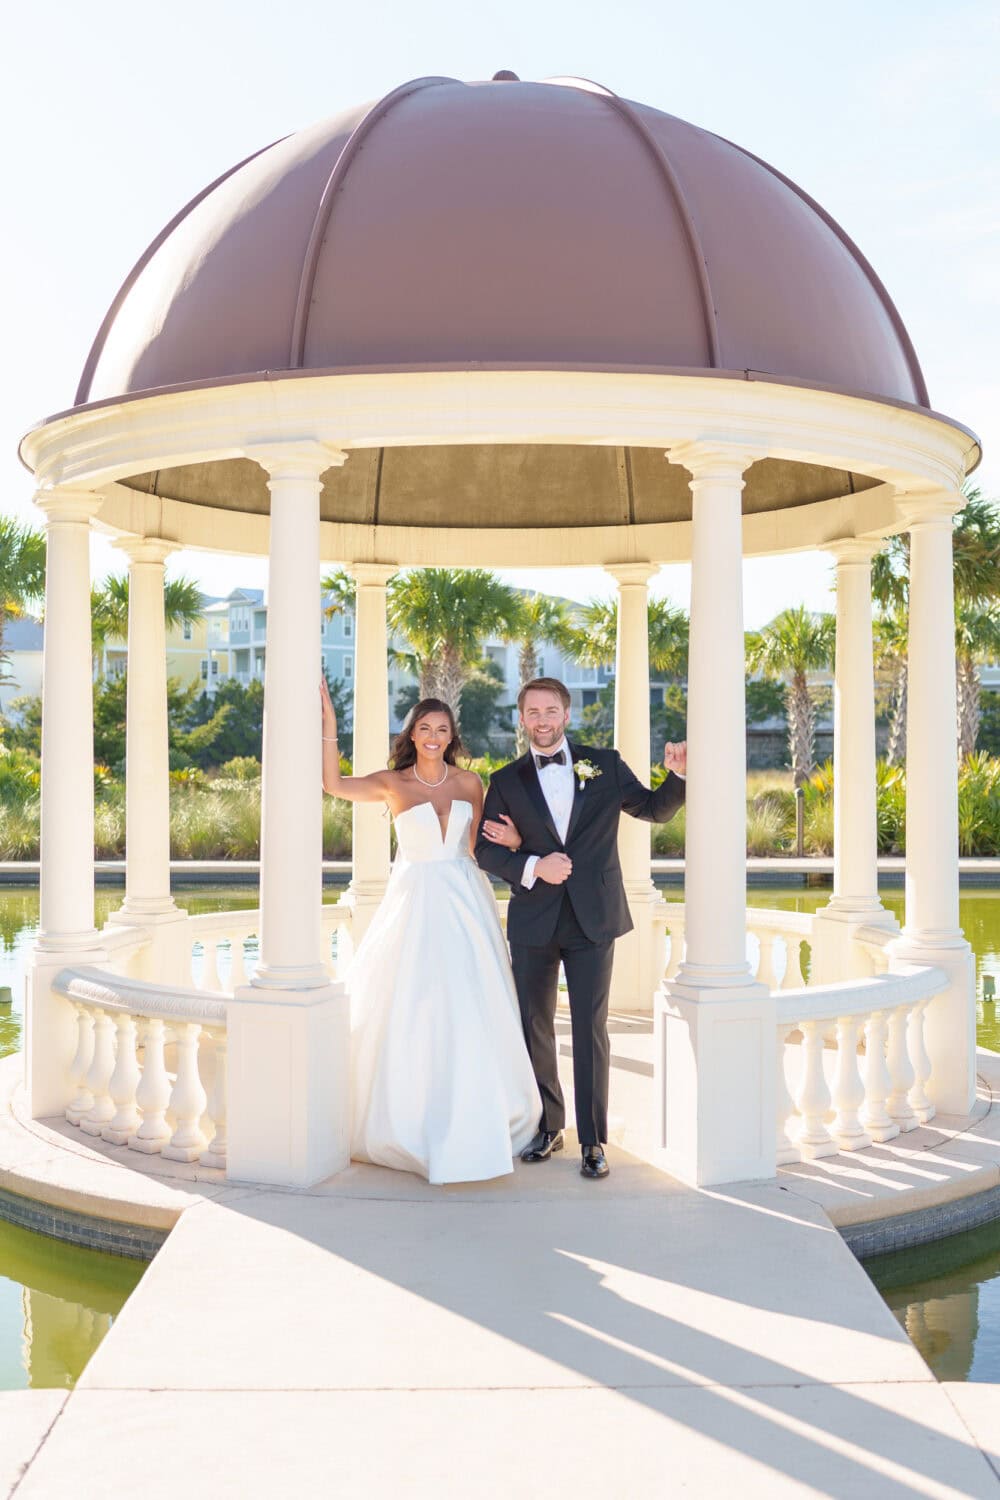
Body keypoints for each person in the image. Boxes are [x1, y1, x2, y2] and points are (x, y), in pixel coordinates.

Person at [321, 679, 541, 1184]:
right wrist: (330, 722)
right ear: (413, 734)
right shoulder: (392, 783)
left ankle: (486, 1107)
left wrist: (517, 839)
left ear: (451, 735)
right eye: (425, 728)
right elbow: (333, 785)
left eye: (442, 729)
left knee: (472, 999)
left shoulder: (469, 784)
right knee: (414, 1002)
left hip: (466, 898)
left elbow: (483, 847)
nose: (434, 736)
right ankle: (411, 1115)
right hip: (416, 900)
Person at [475, 677, 686, 1180]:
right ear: (521, 718)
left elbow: (653, 810)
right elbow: (485, 850)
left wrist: (678, 778)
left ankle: (593, 1141)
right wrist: (532, 864)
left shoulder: (606, 765)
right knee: (535, 1025)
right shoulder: (504, 780)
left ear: (566, 715)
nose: (542, 721)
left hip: (594, 916)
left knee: (591, 1030)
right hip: (534, 917)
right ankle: (549, 1127)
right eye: (533, 712)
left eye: (551, 711)